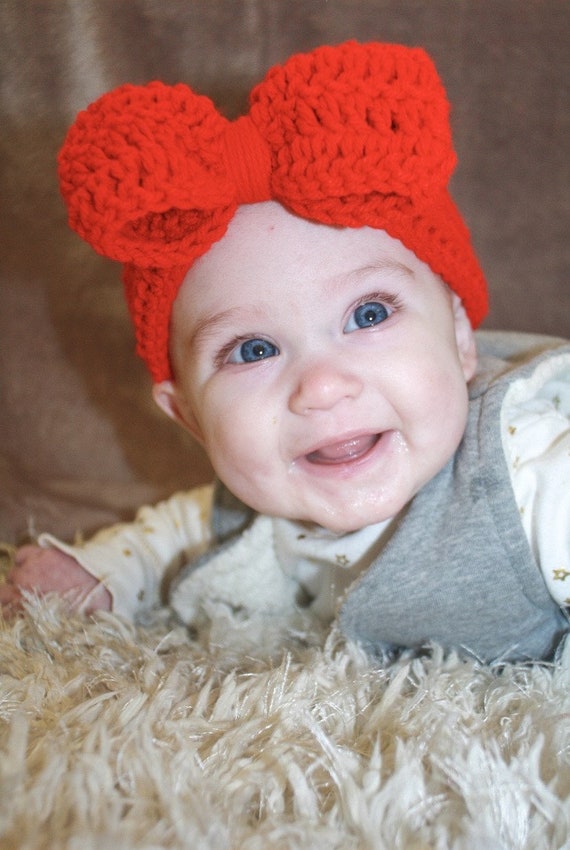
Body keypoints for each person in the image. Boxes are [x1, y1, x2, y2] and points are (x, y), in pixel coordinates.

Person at [2, 41, 569, 662]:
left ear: (460, 338)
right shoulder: (251, 500)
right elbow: (168, 535)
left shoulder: (529, 470)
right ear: (188, 415)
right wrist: (97, 574)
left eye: (369, 314)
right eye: (252, 350)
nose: (323, 385)